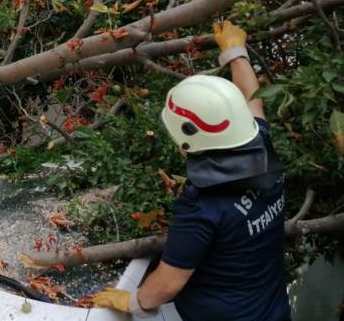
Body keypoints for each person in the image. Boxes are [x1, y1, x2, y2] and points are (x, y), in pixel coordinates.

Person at [94, 21, 290, 320]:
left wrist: (132, 302)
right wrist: (235, 51)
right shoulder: (262, 148)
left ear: (185, 142)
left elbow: (167, 285)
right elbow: (254, 102)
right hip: (273, 311)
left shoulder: (201, 205)